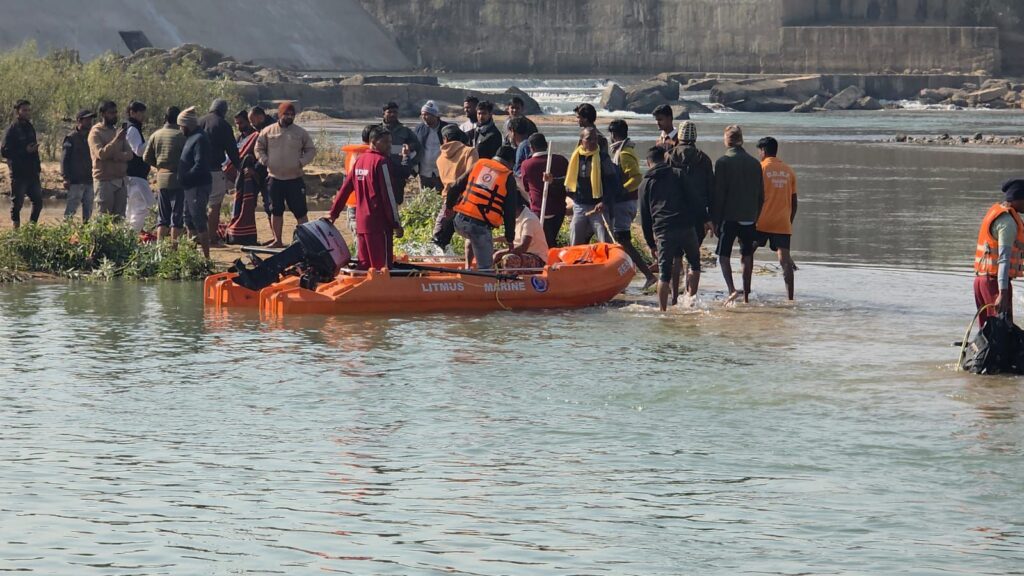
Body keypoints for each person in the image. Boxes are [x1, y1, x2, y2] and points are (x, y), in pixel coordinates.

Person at [327, 126, 404, 270]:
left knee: (364, 266)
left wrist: (333, 213)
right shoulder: (382, 162)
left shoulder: (360, 161)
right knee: (383, 268)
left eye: (390, 142)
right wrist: (395, 224)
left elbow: (344, 190)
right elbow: (389, 197)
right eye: (386, 142)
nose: (389, 146)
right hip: (379, 225)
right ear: (373, 141)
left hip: (362, 223)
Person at [640, 146, 705, 311]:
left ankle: (663, 311)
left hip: (663, 230)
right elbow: (694, 199)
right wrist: (704, 219)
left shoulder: (646, 183)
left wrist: (650, 244)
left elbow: (645, 217)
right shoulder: (678, 174)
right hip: (685, 226)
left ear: (649, 163)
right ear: (664, 158)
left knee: (663, 274)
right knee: (694, 264)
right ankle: (690, 301)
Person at [446, 145, 519, 270]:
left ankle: (468, 268)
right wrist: (509, 238)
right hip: (479, 227)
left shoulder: (479, 164)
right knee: (486, 268)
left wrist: (449, 207)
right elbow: (509, 211)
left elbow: (455, 186)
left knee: (472, 237)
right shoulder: (508, 177)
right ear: (511, 162)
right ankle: (482, 283)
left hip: (459, 222)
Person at [713, 125, 764, 303]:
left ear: (727, 140)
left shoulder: (723, 162)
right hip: (749, 217)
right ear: (741, 139)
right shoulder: (754, 163)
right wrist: (755, 216)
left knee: (723, 255)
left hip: (728, 216)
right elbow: (761, 195)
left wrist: (715, 220)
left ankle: (731, 290)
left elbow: (719, 194)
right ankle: (747, 295)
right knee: (747, 254)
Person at [255, 102, 316, 247]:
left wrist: (301, 162)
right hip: (274, 178)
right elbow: (258, 148)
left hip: (294, 179)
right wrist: (264, 160)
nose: (289, 117)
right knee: (276, 211)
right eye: (286, 114)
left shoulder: (300, 133)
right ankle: (278, 240)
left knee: (300, 212)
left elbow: (311, 150)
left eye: (292, 115)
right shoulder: (268, 131)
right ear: (279, 115)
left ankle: (305, 241)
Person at [668, 120, 715, 303]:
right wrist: (710, 217)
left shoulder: (670, 156)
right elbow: (711, 190)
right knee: (693, 257)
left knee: (675, 256)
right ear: (695, 137)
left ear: (679, 137)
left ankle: (673, 297)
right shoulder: (703, 159)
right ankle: (691, 297)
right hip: (697, 215)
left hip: (673, 213)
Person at [608, 119, 657, 290]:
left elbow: (636, 177)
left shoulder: (623, 154)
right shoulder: (625, 150)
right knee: (620, 240)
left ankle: (648, 275)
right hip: (624, 202)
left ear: (613, 134)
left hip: (624, 202)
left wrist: (622, 190)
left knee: (623, 240)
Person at [975, 178, 1024, 328]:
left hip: (982, 281)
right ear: (1019, 199)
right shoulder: (1008, 223)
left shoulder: (999, 213)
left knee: (990, 332)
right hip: (995, 284)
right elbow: (1004, 259)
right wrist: (1002, 293)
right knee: (1002, 331)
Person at [754, 137, 798, 300]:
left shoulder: (760, 168)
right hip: (782, 223)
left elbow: (754, 196)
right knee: (785, 261)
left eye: (759, 151)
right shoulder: (788, 170)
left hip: (761, 221)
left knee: (748, 253)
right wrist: (789, 222)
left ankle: (746, 292)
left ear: (763, 151)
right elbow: (794, 202)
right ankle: (790, 298)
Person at [566, 127, 618, 245]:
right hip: (580, 206)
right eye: (589, 139)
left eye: (595, 139)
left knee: (605, 241)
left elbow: (613, 183)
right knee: (574, 240)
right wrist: (553, 180)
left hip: (599, 207)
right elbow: (568, 180)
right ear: (581, 141)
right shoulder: (575, 158)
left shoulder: (603, 158)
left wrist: (604, 202)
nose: (593, 142)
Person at [199, 99, 242, 241]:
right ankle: (211, 237)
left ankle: (194, 237)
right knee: (214, 205)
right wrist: (239, 167)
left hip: (195, 170)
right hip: (214, 171)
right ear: (224, 111)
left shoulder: (198, 122)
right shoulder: (223, 125)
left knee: (197, 205)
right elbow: (232, 150)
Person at [142, 106, 186, 241]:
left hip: (161, 179)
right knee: (177, 217)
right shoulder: (182, 136)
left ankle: (160, 249)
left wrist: (159, 166)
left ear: (165, 118)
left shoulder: (156, 135)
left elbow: (146, 157)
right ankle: (174, 249)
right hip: (178, 179)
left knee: (163, 217)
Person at [433, 124, 478, 250]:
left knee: (439, 238)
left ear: (445, 139)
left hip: (449, 200)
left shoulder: (440, 158)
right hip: (468, 200)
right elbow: (473, 173)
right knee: (475, 236)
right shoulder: (469, 151)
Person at [225, 112, 267, 245]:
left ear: (248, 122)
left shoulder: (257, 136)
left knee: (264, 205)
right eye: (236, 124)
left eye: (241, 123)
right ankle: (240, 234)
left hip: (258, 175)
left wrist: (254, 170)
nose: (239, 126)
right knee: (242, 205)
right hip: (242, 178)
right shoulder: (238, 138)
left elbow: (261, 155)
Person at [520, 133, 568, 247]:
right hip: (559, 209)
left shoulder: (527, 165)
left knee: (544, 242)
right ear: (546, 145)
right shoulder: (561, 160)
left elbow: (526, 187)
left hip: (539, 208)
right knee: (549, 239)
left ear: (531, 148)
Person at [177, 106, 213, 258]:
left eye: (181, 126)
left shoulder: (199, 138)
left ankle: (206, 258)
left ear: (187, 125)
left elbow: (200, 164)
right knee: (189, 220)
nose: (180, 129)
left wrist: (186, 177)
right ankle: (190, 257)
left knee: (199, 221)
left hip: (197, 185)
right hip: (190, 186)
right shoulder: (192, 137)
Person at [88, 100, 133, 219]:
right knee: (104, 219)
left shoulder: (117, 131)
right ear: (102, 114)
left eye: (115, 112)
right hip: (105, 181)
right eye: (111, 113)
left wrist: (116, 156)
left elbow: (130, 154)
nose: (114, 115)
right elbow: (101, 154)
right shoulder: (95, 132)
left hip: (120, 180)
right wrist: (116, 140)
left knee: (120, 218)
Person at [1, 100, 42, 227]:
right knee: (17, 203)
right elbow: (5, 151)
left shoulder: (30, 127)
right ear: (18, 111)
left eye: (29, 110)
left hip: (32, 172)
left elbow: (34, 149)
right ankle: (16, 230)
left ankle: (31, 229)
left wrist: (38, 167)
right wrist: (24, 151)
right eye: (24, 110)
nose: (27, 112)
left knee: (38, 202)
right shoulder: (12, 129)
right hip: (19, 173)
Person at [60, 108, 95, 223]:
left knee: (88, 211)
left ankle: (86, 236)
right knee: (70, 211)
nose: (90, 122)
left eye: (91, 119)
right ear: (79, 120)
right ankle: (64, 234)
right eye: (87, 119)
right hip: (76, 181)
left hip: (90, 180)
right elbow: (64, 159)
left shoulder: (92, 137)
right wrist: (65, 177)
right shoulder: (71, 138)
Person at [125, 100, 155, 232]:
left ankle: (128, 235)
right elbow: (138, 150)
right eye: (141, 113)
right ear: (132, 112)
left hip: (133, 175)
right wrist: (152, 141)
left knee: (132, 208)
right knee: (146, 206)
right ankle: (133, 235)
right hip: (135, 175)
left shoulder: (133, 127)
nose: (143, 116)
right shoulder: (132, 129)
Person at [381, 101, 420, 198]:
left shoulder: (405, 130)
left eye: (395, 112)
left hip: (398, 172)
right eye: (389, 112)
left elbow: (417, 146)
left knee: (397, 199)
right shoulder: (377, 130)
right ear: (383, 113)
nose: (392, 114)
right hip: (380, 171)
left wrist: (408, 148)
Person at [495, 203, 549, 269]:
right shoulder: (516, 217)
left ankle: (510, 279)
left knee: (509, 259)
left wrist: (501, 253)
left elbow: (523, 247)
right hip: (522, 253)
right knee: (490, 252)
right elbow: (510, 238)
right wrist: (491, 240)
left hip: (537, 258)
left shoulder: (529, 219)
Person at [413, 100, 448, 191]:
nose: (424, 117)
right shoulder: (419, 129)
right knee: (425, 199)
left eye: (426, 114)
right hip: (424, 172)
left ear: (435, 115)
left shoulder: (447, 129)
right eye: (422, 115)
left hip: (442, 172)